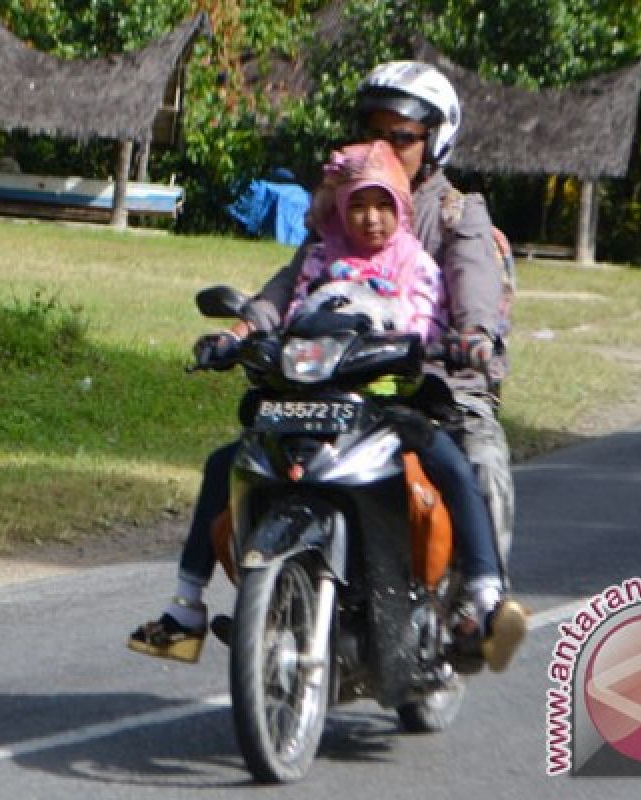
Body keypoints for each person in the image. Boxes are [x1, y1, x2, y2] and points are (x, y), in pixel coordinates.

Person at [129, 61, 521, 669]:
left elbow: (472, 284)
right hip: (334, 379)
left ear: (436, 140)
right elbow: (289, 285)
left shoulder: (454, 214)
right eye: (375, 129)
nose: (386, 145)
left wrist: (472, 334)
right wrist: (238, 332)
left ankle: (480, 605)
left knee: (481, 462)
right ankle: (218, 598)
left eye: (404, 135)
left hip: (432, 381)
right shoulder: (337, 207)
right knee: (243, 457)